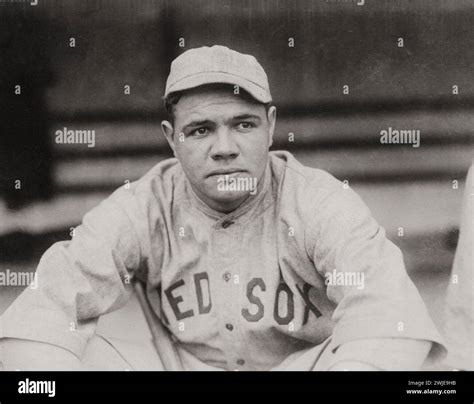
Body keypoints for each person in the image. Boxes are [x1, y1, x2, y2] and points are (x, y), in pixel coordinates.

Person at [0, 45, 446, 371]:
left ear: (270, 127)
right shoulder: (142, 206)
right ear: (170, 139)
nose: (224, 148)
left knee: (424, 374)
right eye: (200, 131)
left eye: (243, 124)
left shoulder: (319, 201)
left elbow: (391, 318)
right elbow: (45, 308)